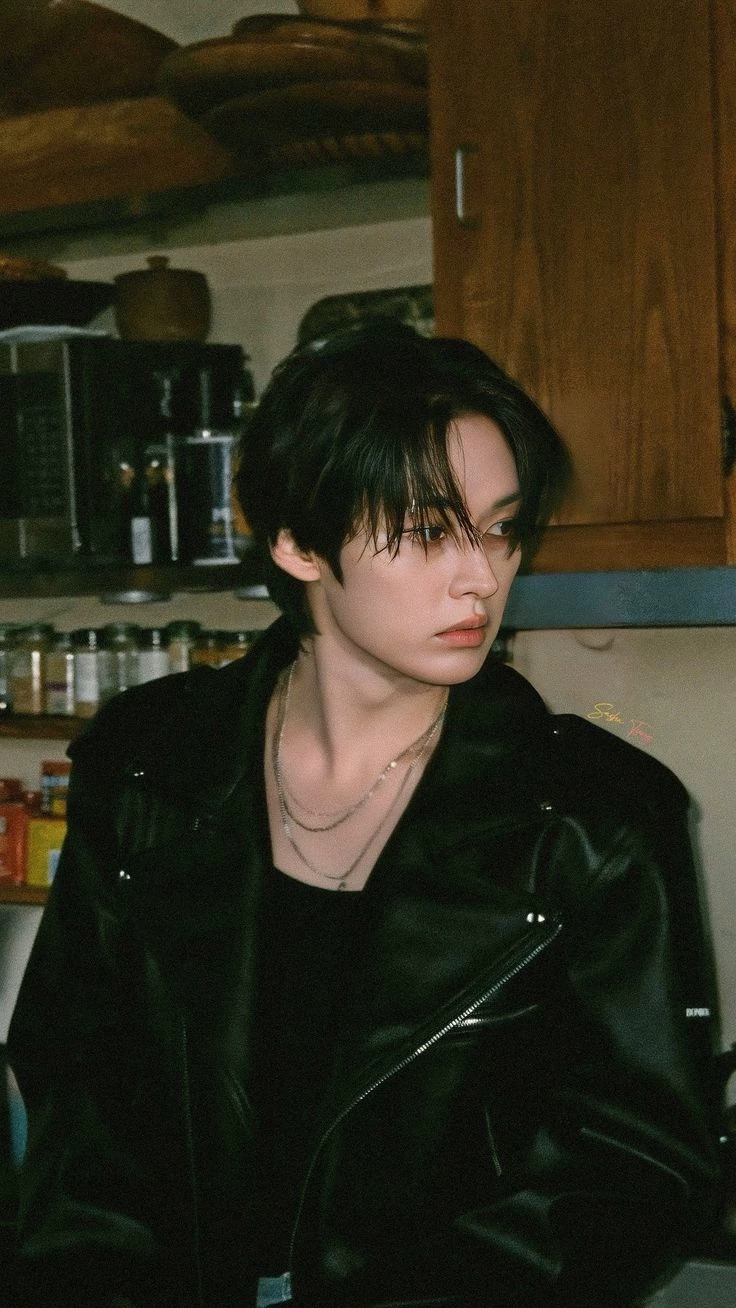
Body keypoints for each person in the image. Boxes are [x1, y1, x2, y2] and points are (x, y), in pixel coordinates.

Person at [7, 321, 724, 1308]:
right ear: (297, 541)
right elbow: (76, 1090)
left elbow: (635, 1166)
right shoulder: (148, 766)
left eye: (501, 527)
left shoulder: (595, 817)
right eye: (430, 532)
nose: (483, 576)